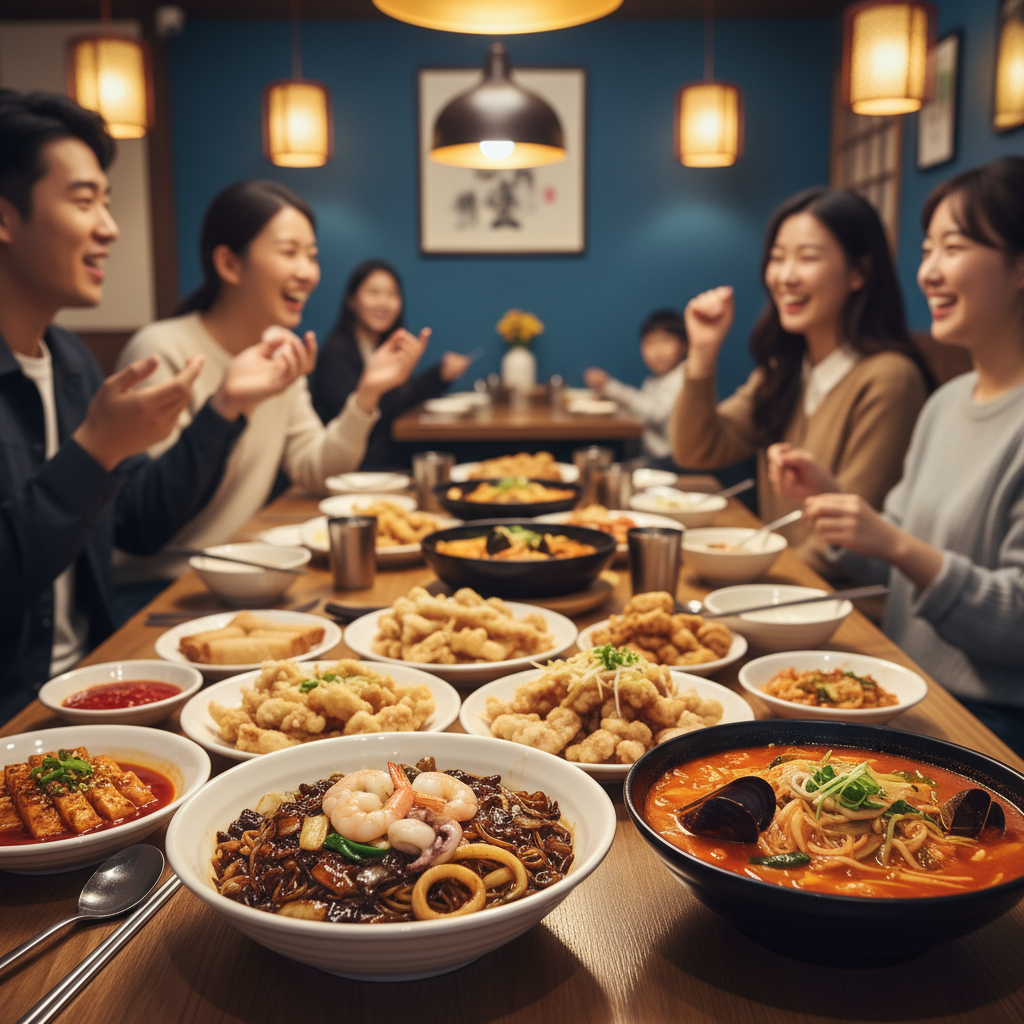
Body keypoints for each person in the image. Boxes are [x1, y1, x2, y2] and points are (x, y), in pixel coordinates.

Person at [0, 91, 313, 721]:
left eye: (107, 204)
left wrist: (226, 406)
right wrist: (93, 453)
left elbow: (141, 522)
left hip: (95, 677)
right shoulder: (150, 350)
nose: (109, 227)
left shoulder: (71, 363)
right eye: (84, 201)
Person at [773, 157, 1024, 755]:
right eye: (926, 249)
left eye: (953, 248)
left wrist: (897, 543)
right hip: (903, 688)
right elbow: (899, 571)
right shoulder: (945, 402)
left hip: (985, 722)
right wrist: (841, 509)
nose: (929, 273)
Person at [115, 185, 429, 585]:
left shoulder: (280, 353)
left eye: (312, 256)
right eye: (289, 252)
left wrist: (367, 394)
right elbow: (146, 519)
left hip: (245, 572)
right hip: (162, 587)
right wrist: (226, 405)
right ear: (230, 264)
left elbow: (316, 469)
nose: (308, 272)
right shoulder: (162, 352)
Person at [670, 188, 931, 580]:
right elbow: (697, 448)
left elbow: (842, 545)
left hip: (842, 613)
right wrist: (703, 352)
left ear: (859, 272)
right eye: (777, 258)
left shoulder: (889, 379)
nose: (786, 276)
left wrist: (749, 581)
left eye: (808, 258)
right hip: (786, 590)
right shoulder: (786, 370)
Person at [310, 259, 471, 469]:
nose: (383, 303)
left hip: (386, 458)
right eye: (374, 293)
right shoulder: (336, 352)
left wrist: (441, 374)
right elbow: (364, 418)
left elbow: (402, 398)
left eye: (391, 294)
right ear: (352, 300)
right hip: (353, 466)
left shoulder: (383, 347)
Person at [584, 309, 688, 466]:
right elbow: (639, 413)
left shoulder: (684, 377)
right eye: (650, 343)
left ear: (684, 345)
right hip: (652, 456)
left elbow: (656, 413)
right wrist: (607, 397)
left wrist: (610, 386)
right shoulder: (653, 380)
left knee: (610, 470)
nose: (657, 351)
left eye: (665, 341)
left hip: (673, 460)